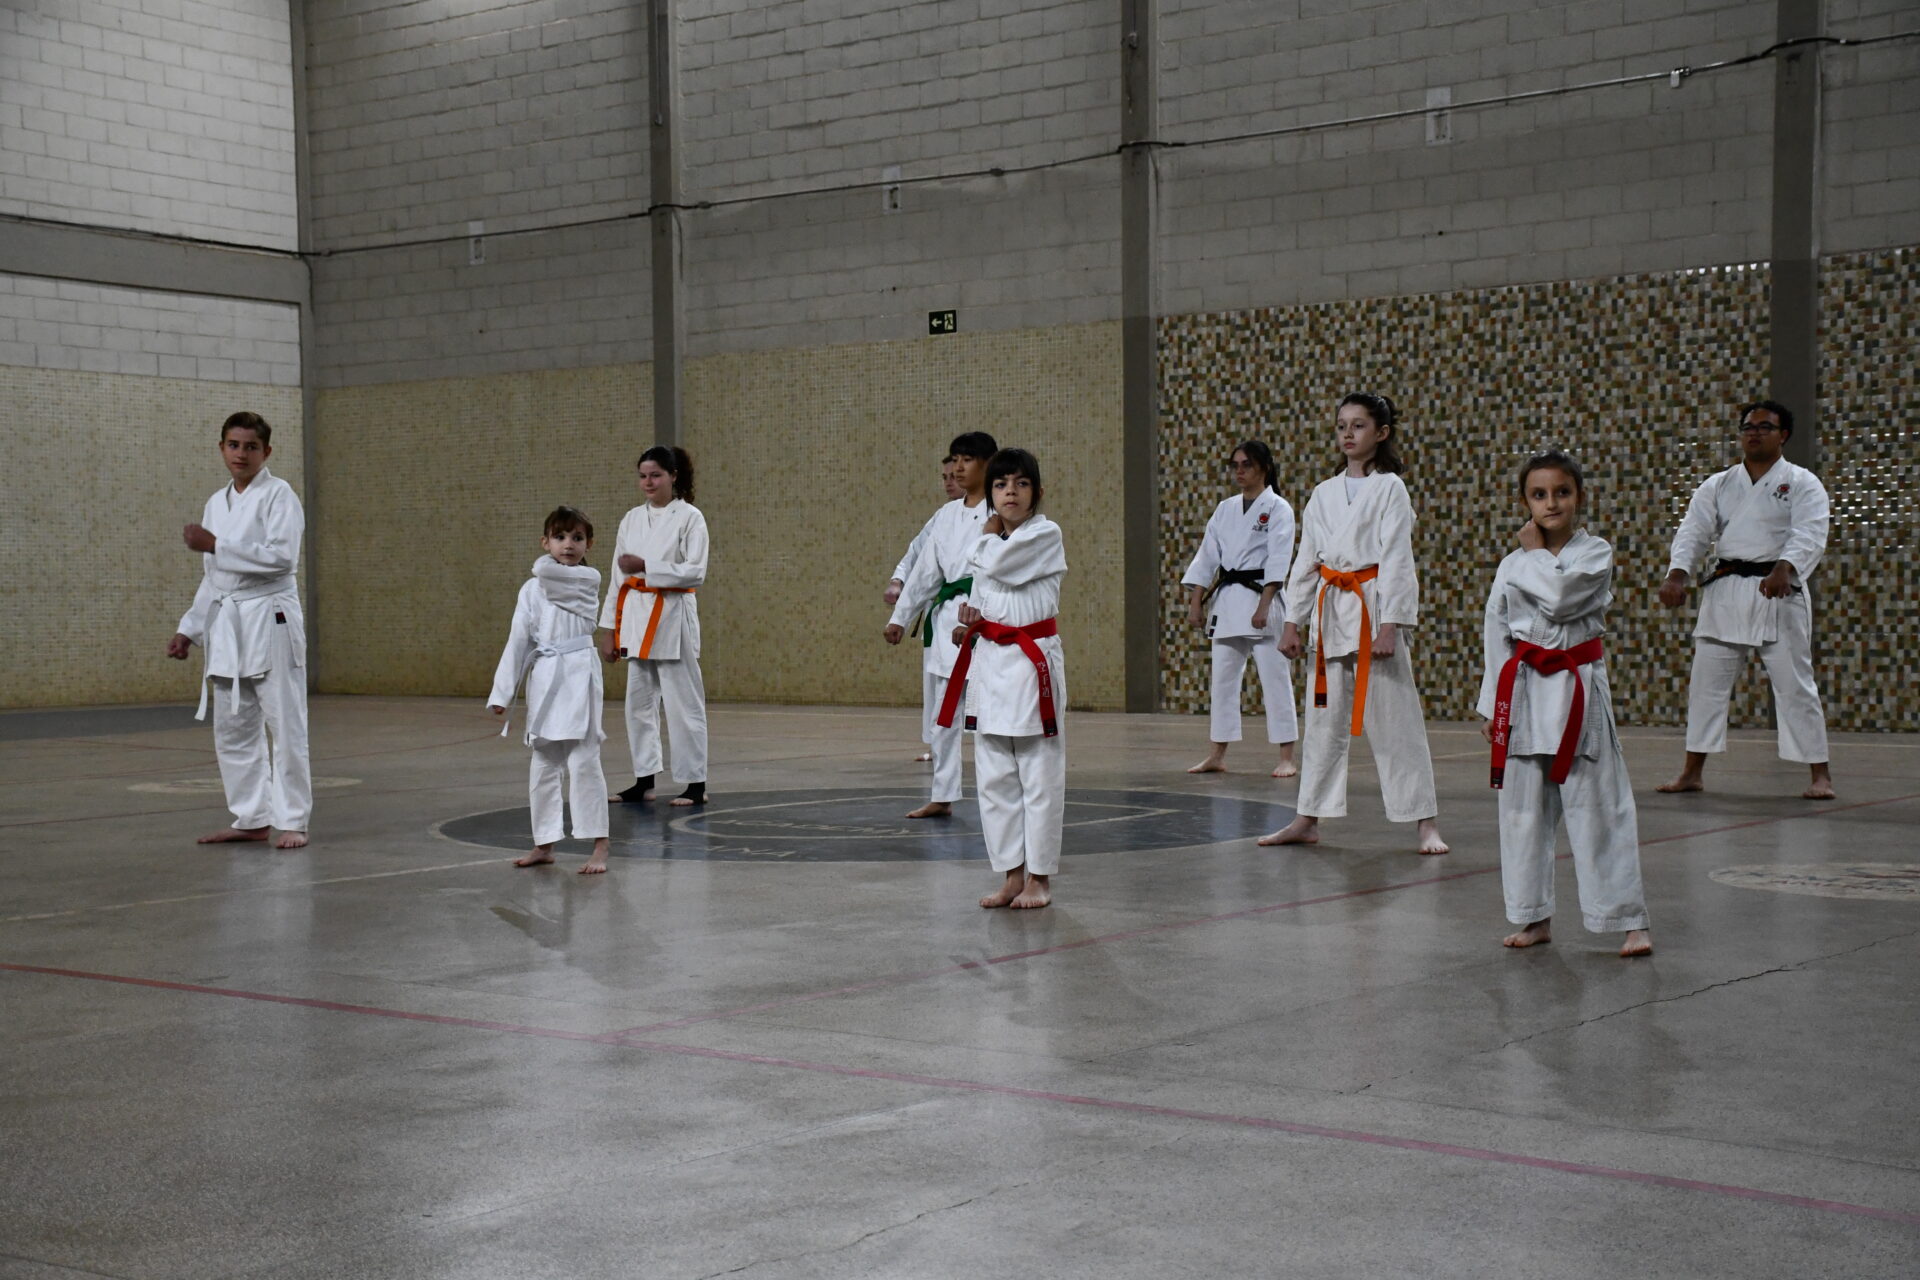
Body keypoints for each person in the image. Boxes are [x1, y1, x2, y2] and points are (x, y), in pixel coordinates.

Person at [1479, 452, 1652, 957]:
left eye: (1561, 492)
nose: (1550, 503)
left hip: (1578, 690)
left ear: (1580, 497)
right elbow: (1496, 630)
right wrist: (1492, 706)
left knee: (1600, 808)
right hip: (1523, 692)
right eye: (1539, 494)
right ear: (1524, 501)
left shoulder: (1594, 553)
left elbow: (1559, 601)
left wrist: (1534, 553)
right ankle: (1533, 917)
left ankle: (1630, 921)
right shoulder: (1511, 564)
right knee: (1522, 813)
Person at [1259, 394, 1447, 854]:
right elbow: (1307, 560)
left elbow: (1398, 559)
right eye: (1342, 424)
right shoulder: (1323, 493)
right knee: (1322, 723)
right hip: (1329, 615)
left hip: (1372, 612)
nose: (1348, 433)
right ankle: (1307, 817)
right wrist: (1293, 621)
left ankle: (1425, 822)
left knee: (1396, 722)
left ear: (1381, 433)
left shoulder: (1390, 488)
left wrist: (1391, 625)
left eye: (1358, 425)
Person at [1656, 400, 1834, 799]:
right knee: (1705, 686)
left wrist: (1785, 568)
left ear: (1783, 435)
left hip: (1778, 591)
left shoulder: (1802, 482)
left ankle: (1820, 775)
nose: (1754, 433)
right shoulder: (1719, 484)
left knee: (1795, 686)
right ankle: (1691, 772)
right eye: (1748, 427)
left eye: (1764, 427)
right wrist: (1677, 574)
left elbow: (1809, 532)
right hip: (1727, 589)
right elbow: (1693, 531)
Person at [166, 411, 311, 850]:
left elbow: (282, 558)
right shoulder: (217, 502)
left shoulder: (280, 495)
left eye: (251, 447)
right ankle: (252, 817)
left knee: (285, 722)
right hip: (228, 622)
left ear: (267, 452)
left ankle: (293, 820)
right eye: (233, 445)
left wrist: (215, 544)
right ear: (222, 448)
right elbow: (215, 578)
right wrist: (190, 629)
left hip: (271, 616)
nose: (241, 454)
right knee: (233, 725)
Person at [940, 448, 1067, 909]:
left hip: (1031, 667)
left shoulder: (1044, 534)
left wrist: (986, 535)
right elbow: (987, 594)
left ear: (1037, 491)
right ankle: (1012, 875)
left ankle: (1040, 879)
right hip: (990, 665)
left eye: (1020, 483)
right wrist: (972, 621)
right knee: (994, 781)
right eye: (1000, 484)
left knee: (1038, 777)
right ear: (991, 494)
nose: (1010, 492)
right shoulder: (993, 542)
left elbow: (999, 565)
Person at [488, 507, 612, 873]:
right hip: (545, 675)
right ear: (545, 542)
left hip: (579, 674)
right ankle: (543, 842)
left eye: (577, 538)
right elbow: (519, 640)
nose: (568, 545)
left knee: (584, 759)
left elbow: (552, 575)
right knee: (543, 763)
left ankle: (600, 845)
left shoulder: (587, 580)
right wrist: (503, 692)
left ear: (589, 544)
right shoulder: (531, 589)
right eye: (559, 537)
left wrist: (545, 565)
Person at [884, 432, 998, 818]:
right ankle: (943, 794)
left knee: (989, 716)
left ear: (987, 463)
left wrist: (979, 609)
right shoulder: (947, 515)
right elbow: (925, 572)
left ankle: (1000, 793)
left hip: (987, 624)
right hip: (947, 622)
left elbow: (998, 570)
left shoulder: (1000, 512)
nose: (959, 468)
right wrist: (900, 617)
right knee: (944, 716)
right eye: (956, 459)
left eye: (968, 460)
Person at [598, 446, 710, 807]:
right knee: (639, 702)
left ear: (673, 476)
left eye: (656, 475)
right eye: (643, 476)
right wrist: (609, 629)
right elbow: (618, 578)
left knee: (683, 702)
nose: (648, 482)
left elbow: (696, 571)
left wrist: (647, 565)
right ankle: (644, 780)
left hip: (673, 614)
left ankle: (695, 783)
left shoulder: (690, 517)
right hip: (636, 615)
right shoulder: (631, 519)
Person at [1180, 440, 1299, 778]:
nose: (1239, 471)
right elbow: (1207, 556)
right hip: (1228, 601)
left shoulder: (1277, 508)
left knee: (1275, 681)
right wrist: (1196, 602)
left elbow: (1279, 559)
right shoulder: (1225, 508)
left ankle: (1287, 757)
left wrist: (1264, 605)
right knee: (1222, 683)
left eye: (1246, 464)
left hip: (1263, 600)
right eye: (1235, 465)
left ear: (1264, 467)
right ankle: (1217, 754)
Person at [886, 454, 963, 762]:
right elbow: (918, 553)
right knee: (936, 682)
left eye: (954, 476)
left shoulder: (993, 513)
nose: (949, 482)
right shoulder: (942, 516)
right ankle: (937, 744)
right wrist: (898, 580)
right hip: (941, 610)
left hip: (975, 611)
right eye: (945, 477)